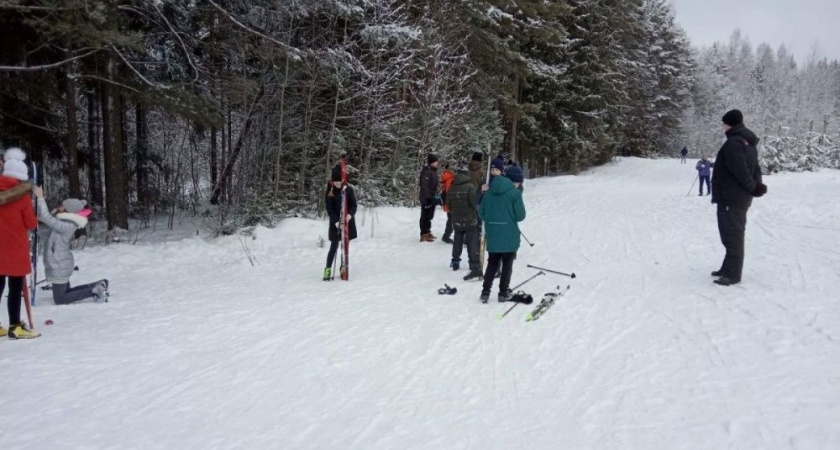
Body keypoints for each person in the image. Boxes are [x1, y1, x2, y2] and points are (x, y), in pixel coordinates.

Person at [711, 109, 766, 286]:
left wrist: (753, 187)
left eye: (724, 123)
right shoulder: (748, 142)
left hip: (731, 198)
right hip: (738, 198)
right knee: (730, 233)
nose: (722, 126)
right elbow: (756, 169)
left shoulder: (734, 143)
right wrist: (756, 186)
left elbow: (740, 170)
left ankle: (733, 274)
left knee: (732, 235)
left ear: (730, 124)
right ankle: (727, 267)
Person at [34, 187, 109, 303]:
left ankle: (94, 290)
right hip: (60, 261)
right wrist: (54, 212)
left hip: (59, 264)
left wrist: (40, 198)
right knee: (66, 292)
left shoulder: (67, 225)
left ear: (69, 211)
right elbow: (44, 219)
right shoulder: (65, 222)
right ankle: (97, 285)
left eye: (63, 206)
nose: (60, 207)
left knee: (60, 299)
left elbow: (46, 218)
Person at [0, 148, 40, 339]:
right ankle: (15, 325)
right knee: (15, 288)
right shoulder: (22, 198)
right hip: (14, 249)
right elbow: (31, 224)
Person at [478, 164, 526, 303]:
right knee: (507, 264)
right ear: (514, 181)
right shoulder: (515, 194)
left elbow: (481, 212)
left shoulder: (489, 193)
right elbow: (520, 216)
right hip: (509, 234)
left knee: (492, 262)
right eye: (518, 183)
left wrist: (493, 220)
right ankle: (503, 292)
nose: (518, 185)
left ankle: (485, 291)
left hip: (493, 233)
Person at [447, 164, 482, 281]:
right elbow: (474, 203)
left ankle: (455, 261)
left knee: (458, 239)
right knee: (472, 242)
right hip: (470, 219)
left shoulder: (452, 188)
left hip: (457, 219)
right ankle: (474, 264)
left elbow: (449, 205)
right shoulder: (470, 187)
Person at [324, 164, 357, 280]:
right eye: (335, 182)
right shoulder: (330, 190)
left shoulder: (348, 189)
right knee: (334, 246)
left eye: (339, 182)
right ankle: (327, 270)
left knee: (345, 246)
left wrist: (349, 215)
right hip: (335, 223)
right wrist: (335, 221)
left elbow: (354, 205)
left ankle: (343, 268)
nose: (337, 184)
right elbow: (329, 208)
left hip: (347, 222)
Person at [418, 154, 439, 242]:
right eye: (436, 162)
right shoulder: (427, 171)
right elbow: (425, 186)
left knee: (429, 215)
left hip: (431, 196)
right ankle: (423, 234)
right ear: (432, 162)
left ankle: (427, 231)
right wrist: (428, 198)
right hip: (426, 197)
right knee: (425, 215)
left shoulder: (433, 171)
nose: (437, 163)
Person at [440, 163, 456, 244]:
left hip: (448, 202)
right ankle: (446, 236)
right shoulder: (451, 179)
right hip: (451, 202)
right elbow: (450, 192)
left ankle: (446, 236)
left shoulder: (447, 177)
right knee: (451, 220)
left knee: (451, 219)